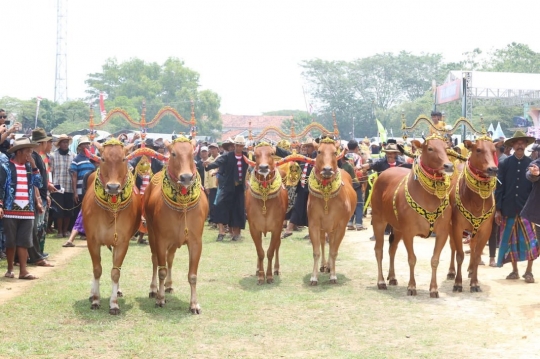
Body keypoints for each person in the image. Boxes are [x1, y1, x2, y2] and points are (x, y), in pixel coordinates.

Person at [495, 131, 539, 282]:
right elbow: (499, 188)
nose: (520, 145)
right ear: (512, 145)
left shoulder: (532, 165)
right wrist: (498, 210)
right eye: (517, 142)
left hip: (527, 209)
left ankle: (529, 271)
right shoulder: (504, 164)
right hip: (508, 208)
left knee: (531, 241)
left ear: (526, 145)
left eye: (522, 143)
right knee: (510, 241)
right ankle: (514, 271)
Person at [0, 138, 43, 280]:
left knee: (24, 241)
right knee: (11, 241)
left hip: (27, 210)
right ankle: (10, 269)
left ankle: (23, 271)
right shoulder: (6, 167)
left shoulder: (29, 167)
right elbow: (0, 187)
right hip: (10, 209)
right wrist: (0, 204)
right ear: (19, 152)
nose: (29, 155)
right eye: (27, 152)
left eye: (31, 151)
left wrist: (35, 166)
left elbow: (39, 184)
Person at [204, 135, 248, 241]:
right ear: (235, 145)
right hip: (228, 187)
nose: (239, 147)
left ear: (243, 146)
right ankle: (221, 231)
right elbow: (218, 162)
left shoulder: (246, 156)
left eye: (241, 146)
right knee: (220, 206)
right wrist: (208, 166)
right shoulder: (228, 156)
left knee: (239, 210)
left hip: (239, 188)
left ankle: (236, 233)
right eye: (237, 145)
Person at [280, 138, 316, 239]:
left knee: (311, 211)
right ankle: (289, 229)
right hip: (302, 188)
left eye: (309, 146)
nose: (306, 148)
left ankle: (311, 232)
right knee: (297, 207)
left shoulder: (317, 158)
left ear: (314, 148)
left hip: (313, 190)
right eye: (306, 146)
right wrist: (276, 149)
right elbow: (289, 155)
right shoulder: (303, 158)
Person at [50, 134, 75, 238]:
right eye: (63, 142)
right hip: (57, 187)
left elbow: (74, 173)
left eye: (66, 142)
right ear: (59, 144)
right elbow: (50, 171)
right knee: (58, 210)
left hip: (69, 186)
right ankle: (59, 231)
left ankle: (65, 230)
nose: (65, 144)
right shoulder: (53, 155)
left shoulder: (73, 155)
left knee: (68, 210)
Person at [70, 136, 94, 221]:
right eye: (84, 144)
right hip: (81, 190)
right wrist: (75, 192)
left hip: (92, 189)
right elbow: (74, 176)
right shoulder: (76, 159)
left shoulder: (93, 158)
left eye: (87, 144)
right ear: (80, 147)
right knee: (81, 210)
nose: (86, 146)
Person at [346, 140, 366, 231]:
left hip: (345, 182)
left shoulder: (344, 156)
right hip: (355, 182)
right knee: (359, 203)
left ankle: (349, 223)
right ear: (356, 148)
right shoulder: (358, 157)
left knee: (349, 202)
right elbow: (358, 168)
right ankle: (359, 224)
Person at [204, 143, 220, 227]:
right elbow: (206, 173)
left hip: (220, 185)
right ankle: (213, 221)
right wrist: (206, 186)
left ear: (217, 149)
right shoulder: (208, 160)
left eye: (214, 148)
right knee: (212, 204)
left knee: (219, 204)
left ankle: (219, 221)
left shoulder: (221, 158)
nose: (212, 150)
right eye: (211, 149)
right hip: (211, 185)